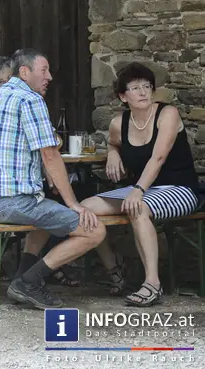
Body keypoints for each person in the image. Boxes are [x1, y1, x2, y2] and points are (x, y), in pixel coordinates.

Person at [0, 48, 105, 309]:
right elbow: (50, 154)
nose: (50, 77)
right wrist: (73, 203)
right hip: (14, 202)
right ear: (24, 72)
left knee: (46, 212)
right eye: (43, 70)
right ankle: (28, 283)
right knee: (94, 231)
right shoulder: (30, 99)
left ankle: (22, 276)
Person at [81, 62, 202, 306]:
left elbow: (158, 157)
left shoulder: (168, 114)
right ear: (123, 96)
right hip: (144, 190)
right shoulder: (119, 124)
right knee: (84, 207)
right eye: (135, 88)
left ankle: (152, 284)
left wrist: (138, 190)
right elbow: (114, 143)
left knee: (138, 207)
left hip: (179, 189)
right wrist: (113, 153)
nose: (143, 92)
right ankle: (115, 272)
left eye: (147, 86)